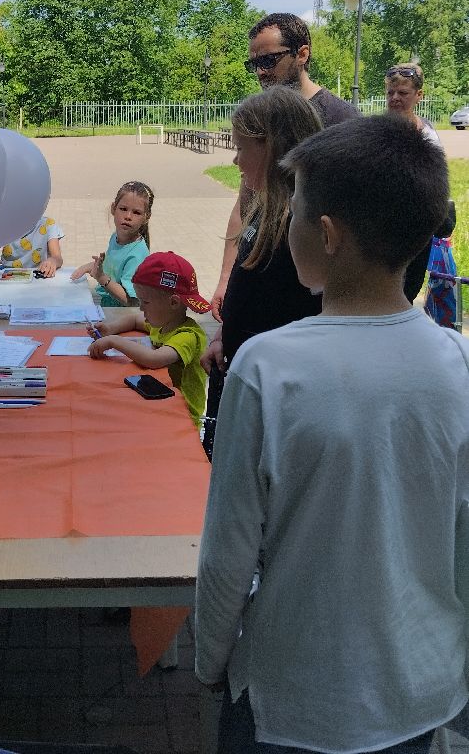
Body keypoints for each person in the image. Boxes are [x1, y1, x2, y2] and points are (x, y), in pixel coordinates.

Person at [194, 114, 469, 754]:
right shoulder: (456, 364)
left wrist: (209, 660)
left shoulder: (268, 368)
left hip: (296, 696)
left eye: (293, 213)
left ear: (327, 233)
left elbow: (229, 546)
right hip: (417, 687)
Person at [209, 13, 358, 321]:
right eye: (254, 64)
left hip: (304, 303)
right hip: (260, 288)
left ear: (302, 54)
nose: (260, 73)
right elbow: (246, 202)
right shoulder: (264, 113)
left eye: (268, 60)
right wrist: (226, 278)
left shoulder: (341, 121)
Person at [200, 87, 323, 375]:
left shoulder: (302, 227)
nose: (235, 160)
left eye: (241, 148)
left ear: (271, 148)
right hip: (241, 364)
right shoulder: (266, 209)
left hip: (271, 380)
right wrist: (223, 335)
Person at [88, 251, 210, 425]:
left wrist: (114, 341)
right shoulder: (163, 321)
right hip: (160, 402)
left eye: (145, 302)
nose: (141, 309)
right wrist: (110, 329)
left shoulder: (187, 336)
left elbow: (154, 359)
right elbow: (135, 320)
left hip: (182, 418)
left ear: (174, 303)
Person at [384, 62, 456, 302]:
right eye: (390, 93)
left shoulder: (427, 132)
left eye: (402, 93)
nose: (395, 98)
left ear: (419, 95)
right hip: (382, 234)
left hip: (418, 234)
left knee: (407, 294)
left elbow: (438, 180)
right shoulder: (375, 131)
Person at [70, 180, 154, 306]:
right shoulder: (116, 237)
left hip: (122, 318)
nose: (128, 216)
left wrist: (102, 278)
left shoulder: (137, 254)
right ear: (113, 209)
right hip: (108, 307)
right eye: (123, 209)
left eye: (136, 212)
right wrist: (91, 266)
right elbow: (113, 268)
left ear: (146, 217)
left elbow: (131, 302)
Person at [0, 214, 64, 277]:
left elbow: (57, 258)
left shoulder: (48, 224)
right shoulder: (3, 225)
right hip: (8, 277)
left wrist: (52, 261)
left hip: (38, 275)